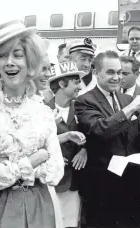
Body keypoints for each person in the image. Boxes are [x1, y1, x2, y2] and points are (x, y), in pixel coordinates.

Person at [0, 19, 64, 228]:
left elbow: (55, 172)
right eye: (2, 56)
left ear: (30, 62)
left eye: (17, 55)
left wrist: (8, 165)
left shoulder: (43, 113)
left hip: (40, 208)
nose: (9, 62)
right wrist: (33, 160)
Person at [75, 50, 140, 228]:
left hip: (130, 182)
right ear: (96, 73)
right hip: (102, 187)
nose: (116, 77)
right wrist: (130, 109)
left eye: (119, 72)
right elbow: (100, 130)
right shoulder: (84, 101)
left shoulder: (126, 99)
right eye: (110, 72)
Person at [48, 62, 88, 228]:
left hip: (75, 180)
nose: (80, 86)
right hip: (51, 181)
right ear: (62, 84)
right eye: (75, 82)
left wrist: (85, 149)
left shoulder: (81, 107)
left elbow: (92, 133)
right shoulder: (41, 109)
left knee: (71, 223)